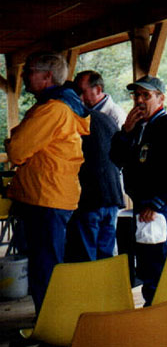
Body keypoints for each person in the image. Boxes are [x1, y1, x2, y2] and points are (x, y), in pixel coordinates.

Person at [6, 52, 91, 313]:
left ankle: (54, 334)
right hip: (49, 197)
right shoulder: (56, 106)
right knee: (46, 267)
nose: (23, 76)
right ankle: (51, 327)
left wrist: (12, 142)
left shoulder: (53, 109)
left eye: (29, 71)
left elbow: (17, 149)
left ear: (46, 76)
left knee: (46, 270)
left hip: (45, 198)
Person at [110, 75, 167, 304]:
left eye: (146, 95)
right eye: (137, 95)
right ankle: (153, 309)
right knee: (147, 264)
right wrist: (125, 131)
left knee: (163, 265)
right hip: (143, 206)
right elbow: (116, 158)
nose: (140, 100)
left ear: (161, 99)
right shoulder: (137, 128)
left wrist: (156, 204)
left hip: (162, 208)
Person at [65, 95, 126, 262]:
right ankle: (105, 287)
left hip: (88, 196)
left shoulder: (72, 122)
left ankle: (90, 287)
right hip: (112, 195)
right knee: (106, 253)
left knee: (86, 255)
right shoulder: (106, 118)